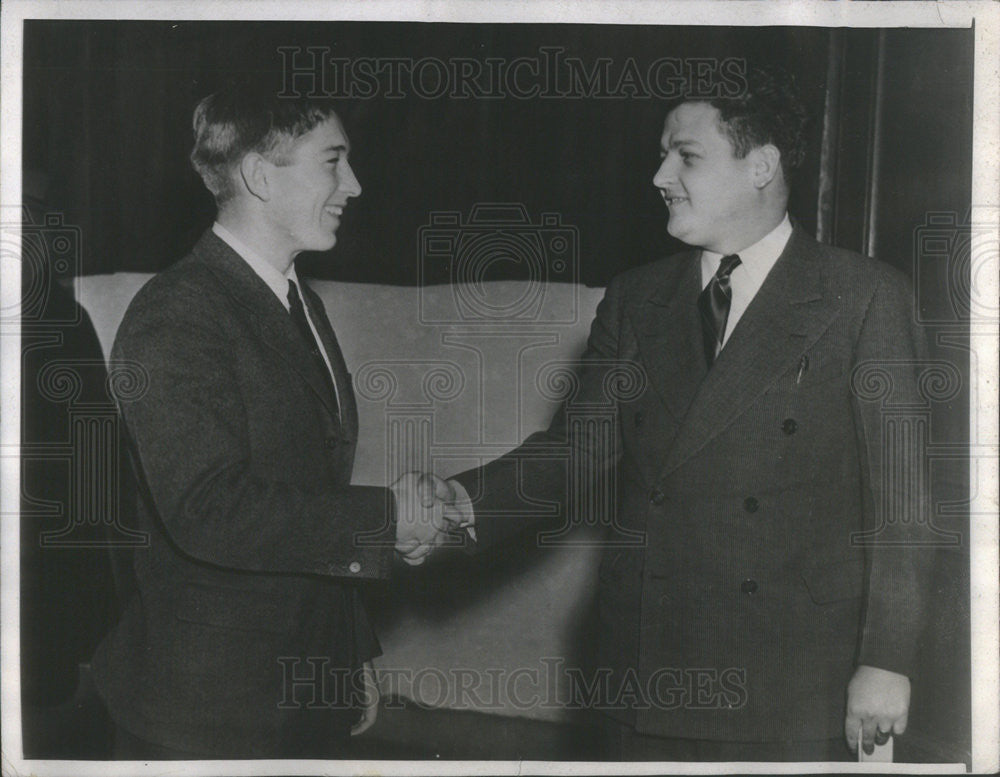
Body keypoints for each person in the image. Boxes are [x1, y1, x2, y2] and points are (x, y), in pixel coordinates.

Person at [416, 66, 932, 761]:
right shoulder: (636, 299)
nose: (660, 174)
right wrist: (460, 503)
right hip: (646, 659)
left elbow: (902, 505)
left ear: (762, 166)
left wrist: (887, 660)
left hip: (791, 674)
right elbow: (577, 451)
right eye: (662, 154)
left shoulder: (864, 296)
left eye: (685, 155)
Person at [90, 85, 446, 759]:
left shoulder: (299, 300)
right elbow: (209, 506)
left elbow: (310, 492)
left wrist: (351, 652)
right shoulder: (178, 312)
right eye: (333, 162)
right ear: (259, 175)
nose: (355, 185)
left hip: (300, 685)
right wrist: (386, 518)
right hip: (204, 710)